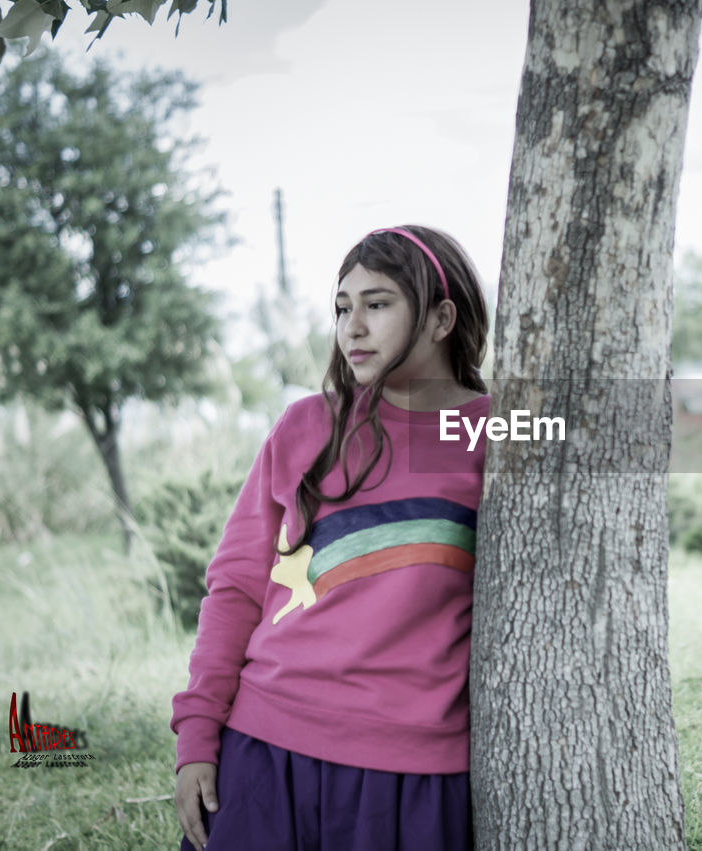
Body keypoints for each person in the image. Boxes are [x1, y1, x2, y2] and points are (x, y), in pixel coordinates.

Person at [171, 225, 490, 851]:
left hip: (413, 768)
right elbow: (235, 588)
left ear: (441, 317)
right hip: (266, 746)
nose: (353, 327)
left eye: (377, 304)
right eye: (343, 308)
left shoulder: (485, 430)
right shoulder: (305, 425)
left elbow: (609, 429)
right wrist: (197, 734)